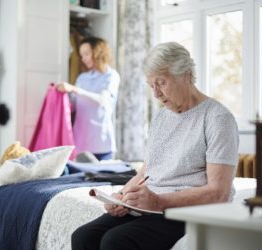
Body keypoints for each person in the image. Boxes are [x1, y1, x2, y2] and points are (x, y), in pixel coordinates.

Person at [71, 41, 239, 250]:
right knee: (83, 236)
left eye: (161, 83)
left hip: (185, 210)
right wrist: (121, 197)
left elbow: (219, 193)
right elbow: (146, 173)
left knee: (115, 241)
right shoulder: (161, 118)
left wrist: (159, 201)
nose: (156, 94)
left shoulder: (218, 118)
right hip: (150, 206)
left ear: (186, 75)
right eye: (151, 85)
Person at [57, 37, 120, 161]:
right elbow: (74, 105)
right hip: (80, 140)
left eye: (86, 54)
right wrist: (59, 98)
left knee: (102, 178)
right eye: (81, 55)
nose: (83, 58)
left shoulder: (111, 76)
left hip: (101, 141)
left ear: (98, 52)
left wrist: (74, 89)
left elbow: (102, 100)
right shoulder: (82, 78)